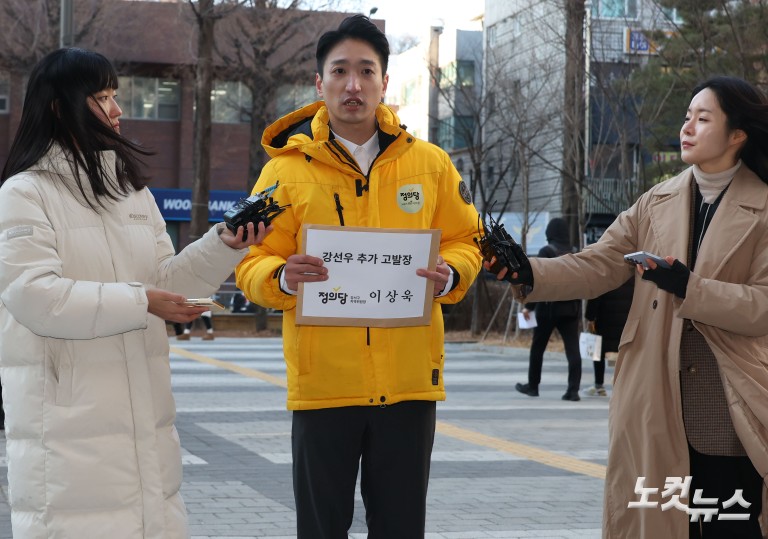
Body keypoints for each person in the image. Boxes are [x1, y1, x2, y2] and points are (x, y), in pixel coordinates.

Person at [0, 48, 270, 538]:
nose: (118, 110)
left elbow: (166, 285)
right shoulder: (24, 193)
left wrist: (223, 244)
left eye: (115, 96)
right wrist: (139, 300)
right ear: (61, 107)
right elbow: (33, 295)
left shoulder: (133, 193)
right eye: (101, 98)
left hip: (145, 424)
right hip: (66, 432)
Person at [486, 76, 768, 538]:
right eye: (686, 117)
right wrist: (528, 274)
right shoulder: (656, 201)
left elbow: (762, 305)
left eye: (703, 118)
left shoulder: (763, 205)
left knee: (728, 524)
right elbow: (598, 263)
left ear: (738, 134)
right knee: (656, 522)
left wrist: (689, 287)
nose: (687, 127)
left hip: (729, 405)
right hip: (653, 395)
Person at [235, 14, 481, 539]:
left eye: (366, 71)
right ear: (318, 83)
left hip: (409, 385)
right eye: (340, 71)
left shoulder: (431, 165)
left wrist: (451, 272)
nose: (354, 84)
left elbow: (466, 240)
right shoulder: (284, 171)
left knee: (400, 527)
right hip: (324, 384)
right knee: (322, 528)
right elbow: (250, 260)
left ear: (385, 82)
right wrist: (280, 277)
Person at [515, 217, 583, 401]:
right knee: (573, 349)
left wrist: (529, 306)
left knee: (538, 347)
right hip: (571, 309)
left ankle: (533, 386)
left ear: (549, 233)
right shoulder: (575, 252)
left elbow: (537, 281)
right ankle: (573, 390)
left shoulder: (546, 251)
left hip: (548, 308)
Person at [583, 278, 634, 396]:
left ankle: (599, 385)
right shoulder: (632, 276)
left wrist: (590, 317)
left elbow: (595, 297)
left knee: (598, 353)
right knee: (625, 351)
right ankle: (623, 384)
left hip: (605, 320)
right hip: (627, 321)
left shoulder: (604, 275)